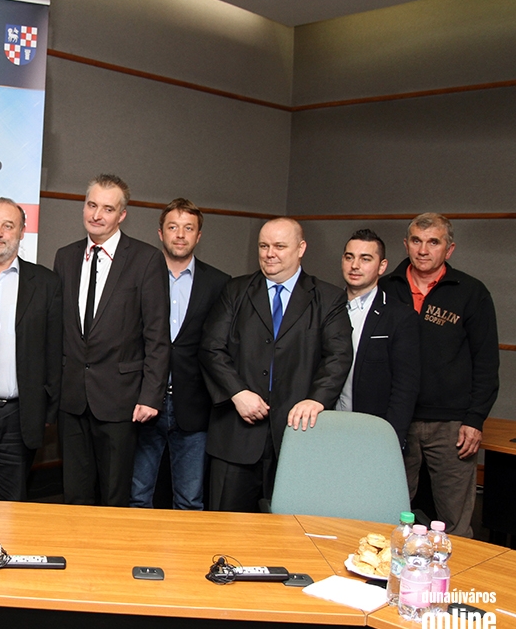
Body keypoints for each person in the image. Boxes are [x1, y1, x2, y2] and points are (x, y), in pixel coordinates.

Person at [200, 217, 352, 512]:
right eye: (264, 246)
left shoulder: (329, 298)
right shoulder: (235, 290)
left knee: (289, 527)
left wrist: (316, 400)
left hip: (297, 435)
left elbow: (338, 356)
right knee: (225, 526)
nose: (270, 254)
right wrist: (237, 393)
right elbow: (211, 347)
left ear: (301, 248)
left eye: (280, 246)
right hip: (236, 435)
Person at [52, 174, 170, 507]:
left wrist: (151, 396)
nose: (97, 215)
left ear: (122, 215)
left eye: (107, 208)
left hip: (121, 400)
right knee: (74, 494)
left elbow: (157, 335)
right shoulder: (65, 257)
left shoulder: (146, 259)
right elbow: (59, 329)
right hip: (72, 398)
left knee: (114, 497)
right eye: (91, 205)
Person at [382, 213, 499, 537]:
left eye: (433, 242)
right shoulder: (385, 288)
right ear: (406, 244)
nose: (423, 250)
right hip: (395, 418)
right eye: (416, 241)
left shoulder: (471, 292)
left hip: (451, 425)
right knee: (387, 515)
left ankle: (456, 570)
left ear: (449, 249)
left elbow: (486, 362)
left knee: (454, 522)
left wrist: (475, 419)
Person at [130, 199, 229, 510]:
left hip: (193, 405)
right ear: (161, 233)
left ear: (199, 236)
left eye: (189, 228)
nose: (180, 235)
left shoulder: (219, 283)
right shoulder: (138, 276)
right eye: (173, 227)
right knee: (137, 496)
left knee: (190, 500)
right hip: (143, 402)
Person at [0, 198, 62, 501]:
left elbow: (54, 350)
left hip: (18, 417)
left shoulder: (46, 283)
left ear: (22, 232)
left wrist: (47, 409)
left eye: (8, 226)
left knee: (10, 506)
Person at [335, 228, 420, 448]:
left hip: (373, 431)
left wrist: (391, 439)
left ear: (382, 266)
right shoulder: (325, 307)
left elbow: (405, 387)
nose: (355, 265)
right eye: (349, 257)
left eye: (365, 259)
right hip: (327, 425)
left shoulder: (400, 317)